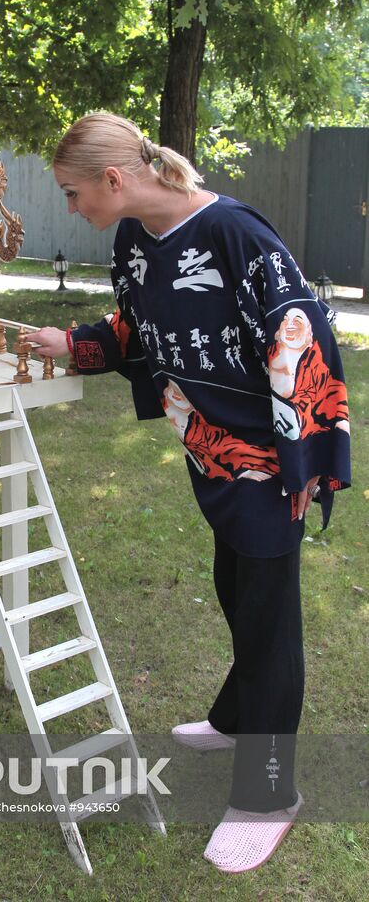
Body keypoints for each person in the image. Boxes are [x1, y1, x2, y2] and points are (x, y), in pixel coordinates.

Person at [30, 113, 351, 874]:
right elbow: (140, 327)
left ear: (114, 179)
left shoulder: (237, 235)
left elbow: (301, 338)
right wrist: (75, 343)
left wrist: (305, 460)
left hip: (271, 461)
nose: (71, 209)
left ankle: (269, 796)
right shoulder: (134, 239)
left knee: (269, 621)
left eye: (74, 195)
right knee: (234, 586)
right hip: (208, 450)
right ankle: (234, 720)